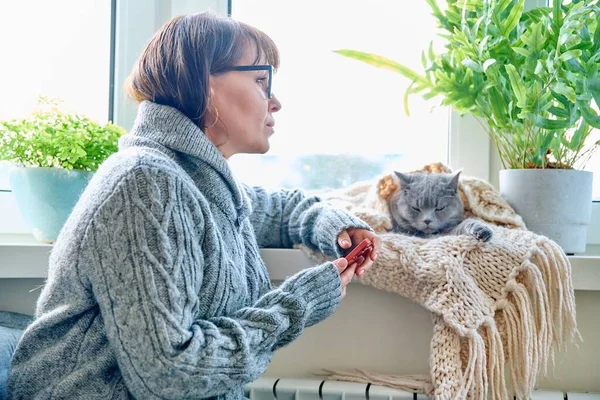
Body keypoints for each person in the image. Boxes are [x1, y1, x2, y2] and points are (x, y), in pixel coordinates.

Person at [7, 12, 381, 400]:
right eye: (260, 80)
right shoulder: (144, 183)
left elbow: (281, 210)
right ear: (204, 83)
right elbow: (170, 373)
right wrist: (298, 302)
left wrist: (335, 225)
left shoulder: (197, 182)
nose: (275, 101)